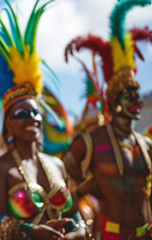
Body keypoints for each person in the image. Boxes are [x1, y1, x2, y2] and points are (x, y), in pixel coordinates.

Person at [0, 1, 88, 239]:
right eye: (22, 114)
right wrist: (30, 232)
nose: (32, 118)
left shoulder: (57, 164)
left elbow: (75, 214)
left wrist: (78, 232)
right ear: (8, 123)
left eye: (36, 112)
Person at [63, 0, 152, 239]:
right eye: (128, 94)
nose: (136, 99)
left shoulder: (146, 145)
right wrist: (87, 191)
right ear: (113, 101)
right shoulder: (92, 140)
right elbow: (67, 181)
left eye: (137, 93)